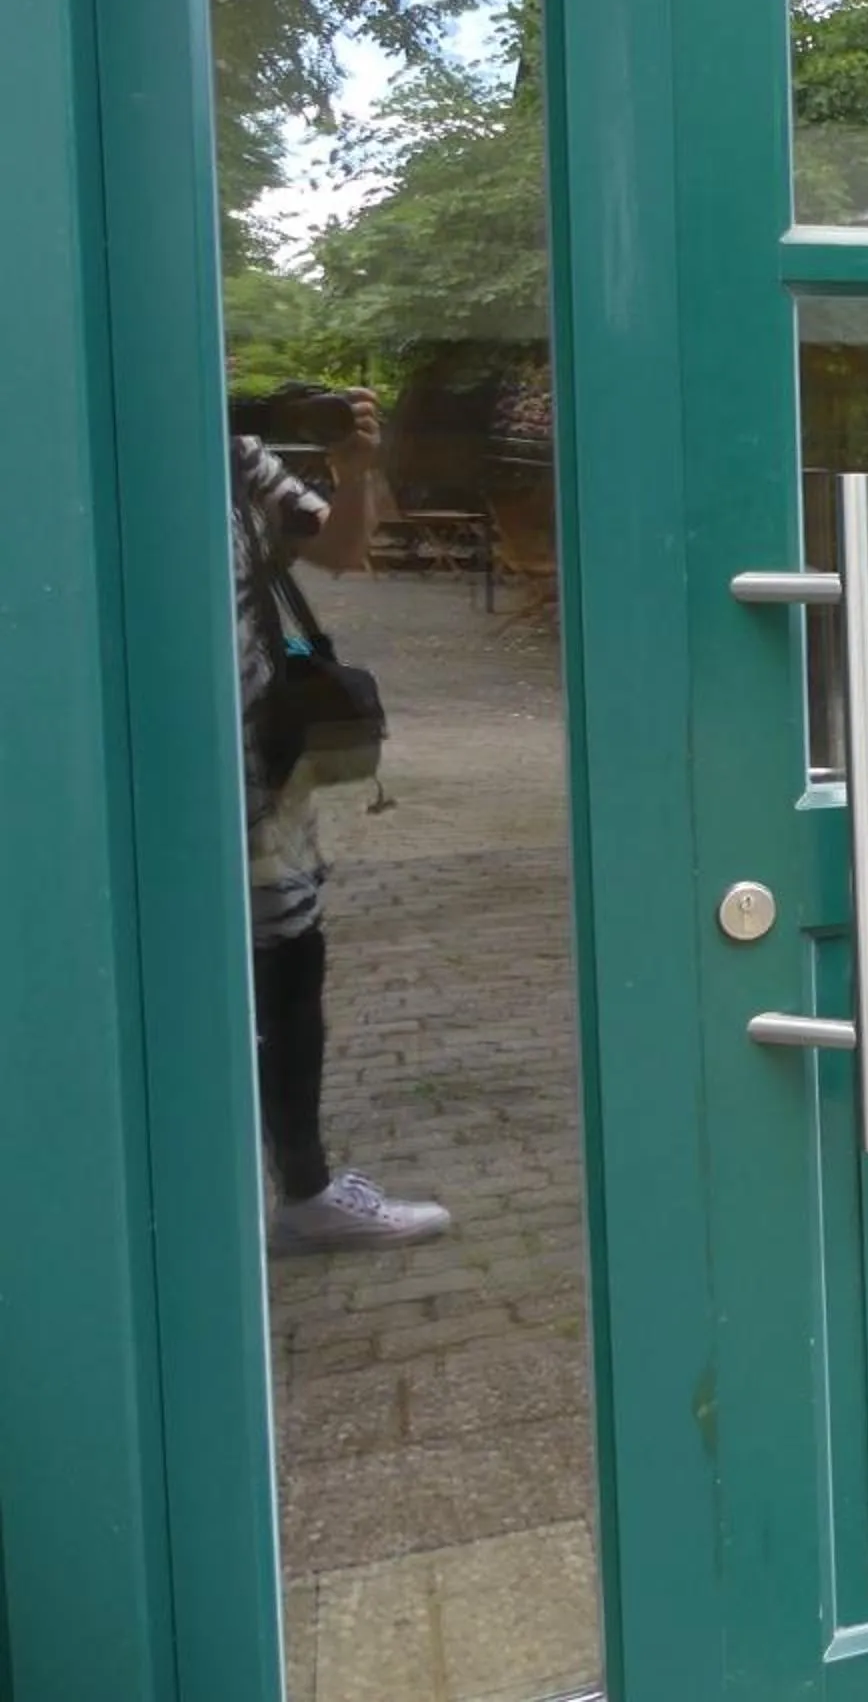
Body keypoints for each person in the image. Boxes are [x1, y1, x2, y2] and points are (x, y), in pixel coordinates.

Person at [234, 388, 453, 1251]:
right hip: (152, 766)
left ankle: (305, 1190)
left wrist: (354, 471)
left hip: (261, 770)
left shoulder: (233, 456)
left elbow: (343, 549)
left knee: (291, 963)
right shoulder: (112, 453)